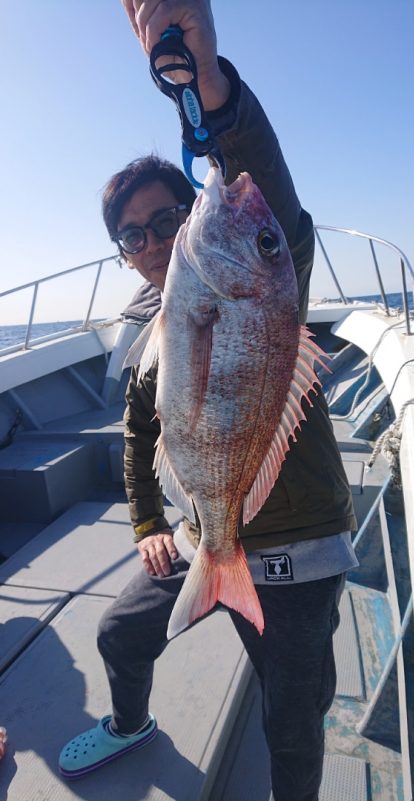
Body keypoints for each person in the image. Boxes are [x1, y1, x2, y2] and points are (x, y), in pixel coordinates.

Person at [59, 2, 358, 799]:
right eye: (133, 234)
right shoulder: (145, 330)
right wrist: (152, 524)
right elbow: (138, 436)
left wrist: (211, 87)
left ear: (192, 211)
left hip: (296, 544)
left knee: (293, 719)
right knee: (119, 632)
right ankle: (131, 722)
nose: (153, 240)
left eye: (165, 218)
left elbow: (274, 204)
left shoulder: (267, 272)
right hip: (206, 531)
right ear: (123, 256)